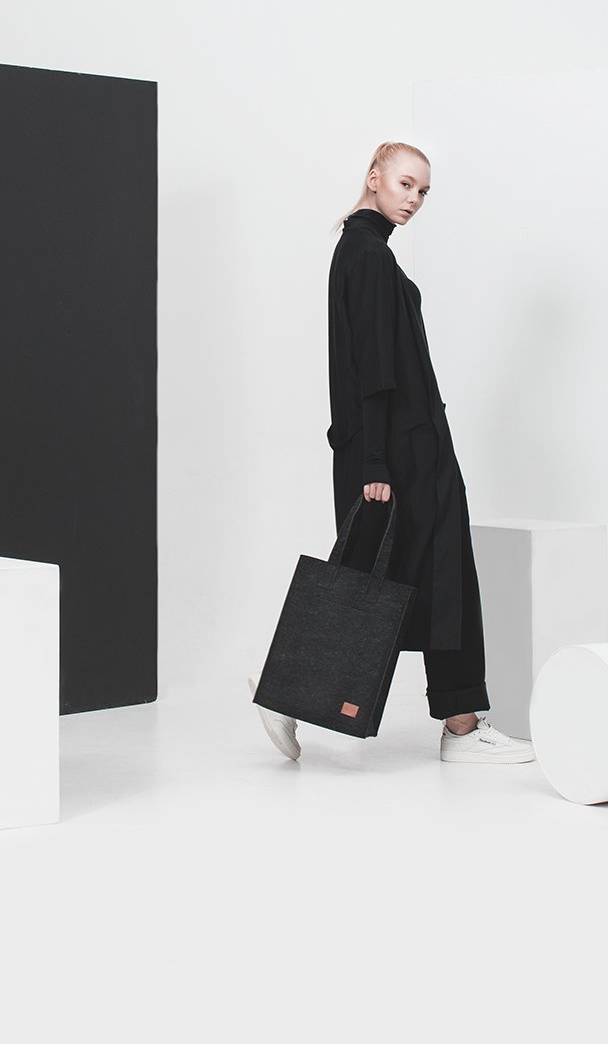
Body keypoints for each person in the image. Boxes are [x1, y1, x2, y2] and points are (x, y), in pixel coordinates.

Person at [251, 142, 535, 764]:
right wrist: (377, 465)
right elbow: (373, 371)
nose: (414, 199)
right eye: (406, 184)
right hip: (402, 452)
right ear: (374, 178)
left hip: (397, 447)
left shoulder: (359, 250)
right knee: (398, 577)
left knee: (398, 577)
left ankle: (454, 722)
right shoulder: (369, 256)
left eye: (423, 191)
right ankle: (448, 727)